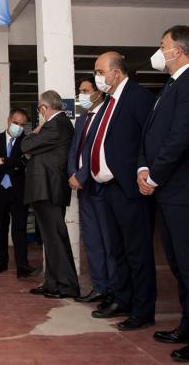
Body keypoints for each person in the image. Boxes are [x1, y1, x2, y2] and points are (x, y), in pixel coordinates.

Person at [138, 26, 189, 362]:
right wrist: (143, 167)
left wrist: (155, 175)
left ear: (180, 50)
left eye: (163, 46)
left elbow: (181, 136)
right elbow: (152, 134)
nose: (159, 52)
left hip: (185, 190)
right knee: (176, 262)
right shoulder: (172, 83)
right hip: (167, 190)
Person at [87, 52, 156, 332]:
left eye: (100, 71)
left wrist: (144, 171)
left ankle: (143, 309)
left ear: (116, 73)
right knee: (118, 251)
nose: (97, 77)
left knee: (138, 252)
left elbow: (149, 139)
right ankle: (123, 298)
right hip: (109, 189)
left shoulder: (138, 98)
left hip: (131, 187)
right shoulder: (108, 102)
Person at [23, 90, 79, 299]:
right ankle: (52, 283)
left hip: (49, 188)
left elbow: (26, 145)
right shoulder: (57, 125)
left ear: (44, 109)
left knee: (56, 239)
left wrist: (34, 131)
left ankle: (67, 286)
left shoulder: (56, 125)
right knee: (50, 239)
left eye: (39, 109)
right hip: (45, 189)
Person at [67, 77, 115, 304]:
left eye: (86, 90)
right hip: (82, 188)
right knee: (92, 241)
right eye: (80, 91)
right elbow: (75, 150)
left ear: (98, 93)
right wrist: (72, 174)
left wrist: (82, 175)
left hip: (100, 186)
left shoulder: (107, 115)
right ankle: (99, 286)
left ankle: (114, 290)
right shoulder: (81, 119)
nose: (82, 95)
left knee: (109, 242)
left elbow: (98, 152)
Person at [0, 108, 37, 278]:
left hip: (19, 192)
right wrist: (12, 164)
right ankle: (2, 262)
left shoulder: (26, 142)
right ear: (8, 121)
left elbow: (23, 164)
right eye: (16, 123)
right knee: (1, 228)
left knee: (19, 229)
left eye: (22, 124)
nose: (18, 127)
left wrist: (3, 161)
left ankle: (22, 265)